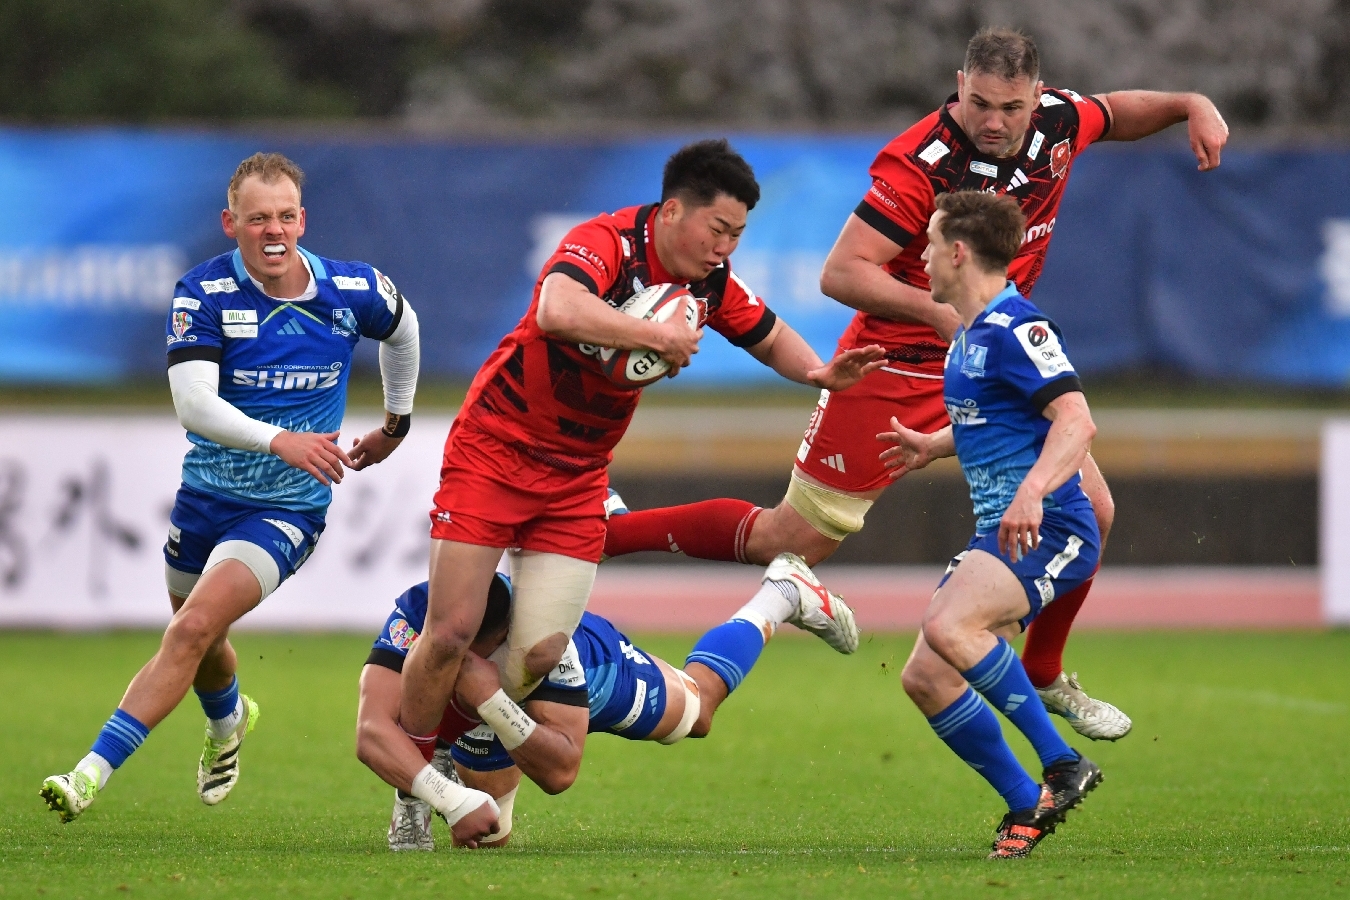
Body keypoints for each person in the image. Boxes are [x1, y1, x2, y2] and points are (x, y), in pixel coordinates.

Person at [601, 27, 1229, 741]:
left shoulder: (1058, 120)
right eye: (980, 103)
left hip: (992, 366)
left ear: (1037, 97)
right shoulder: (922, 163)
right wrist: (938, 313)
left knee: (1093, 509)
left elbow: (1116, 112)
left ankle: (1044, 672)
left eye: (1011, 108)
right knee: (790, 538)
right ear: (960, 86)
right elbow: (841, 272)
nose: (995, 122)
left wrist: (1189, 102)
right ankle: (611, 532)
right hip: (893, 365)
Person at [36, 153, 489, 837]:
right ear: (231, 224)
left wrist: (396, 423)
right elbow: (194, 406)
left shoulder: (351, 289)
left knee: (189, 630)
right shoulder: (203, 294)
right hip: (205, 497)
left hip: (287, 509)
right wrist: (281, 439)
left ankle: (86, 775)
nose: (272, 231)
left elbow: (405, 329)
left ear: (302, 220)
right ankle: (228, 721)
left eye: (284, 217)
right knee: (202, 640)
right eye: (257, 219)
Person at [394, 139, 883, 772]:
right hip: (496, 451)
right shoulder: (608, 241)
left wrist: (819, 372)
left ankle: (455, 748)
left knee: (538, 657)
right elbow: (557, 309)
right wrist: (657, 335)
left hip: (578, 476)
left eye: (737, 235)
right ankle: (413, 785)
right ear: (673, 210)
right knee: (450, 632)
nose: (725, 247)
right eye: (718, 229)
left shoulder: (710, 281)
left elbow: (769, 336)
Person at [878, 190, 1102, 859]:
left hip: (1052, 527)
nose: (920, 256)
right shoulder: (969, 336)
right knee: (926, 677)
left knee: (949, 626)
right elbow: (996, 419)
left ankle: (1062, 763)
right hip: (1002, 534)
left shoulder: (1018, 328)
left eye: (928, 243)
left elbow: (1076, 420)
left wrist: (1032, 492)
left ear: (957, 252)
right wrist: (933, 445)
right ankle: (1025, 803)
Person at [357, 551, 855, 850]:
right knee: (484, 839)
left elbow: (561, 771)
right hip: (477, 716)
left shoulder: (545, 644)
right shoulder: (422, 609)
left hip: (585, 680)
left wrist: (491, 699)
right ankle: (424, 779)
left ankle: (781, 594)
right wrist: (451, 799)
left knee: (698, 712)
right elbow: (371, 730)